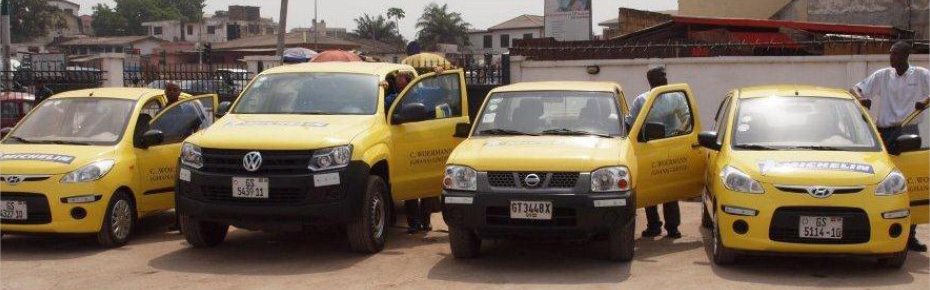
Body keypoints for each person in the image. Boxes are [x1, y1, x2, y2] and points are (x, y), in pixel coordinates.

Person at [851, 41, 930, 252]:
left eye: (895, 53)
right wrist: (862, 99)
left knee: (908, 181)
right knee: (882, 179)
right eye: (890, 53)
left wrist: (925, 102)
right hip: (884, 132)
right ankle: (877, 227)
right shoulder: (883, 75)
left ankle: (910, 235)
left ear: (906, 55)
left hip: (909, 131)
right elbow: (855, 89)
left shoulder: (921, 75)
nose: (891, 56)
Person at [625, 66, 683, 239]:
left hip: (671, 147)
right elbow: (629, 122)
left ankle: (673, 228)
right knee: (650, 189)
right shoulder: (642, 100)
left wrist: (683, 135)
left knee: (670, 190)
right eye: (660, 76)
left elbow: (686, 117)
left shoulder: (676, 97)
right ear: (651, 80)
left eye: (665, 75)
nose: (664, 78)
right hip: (648, 148)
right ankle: (654, 225)